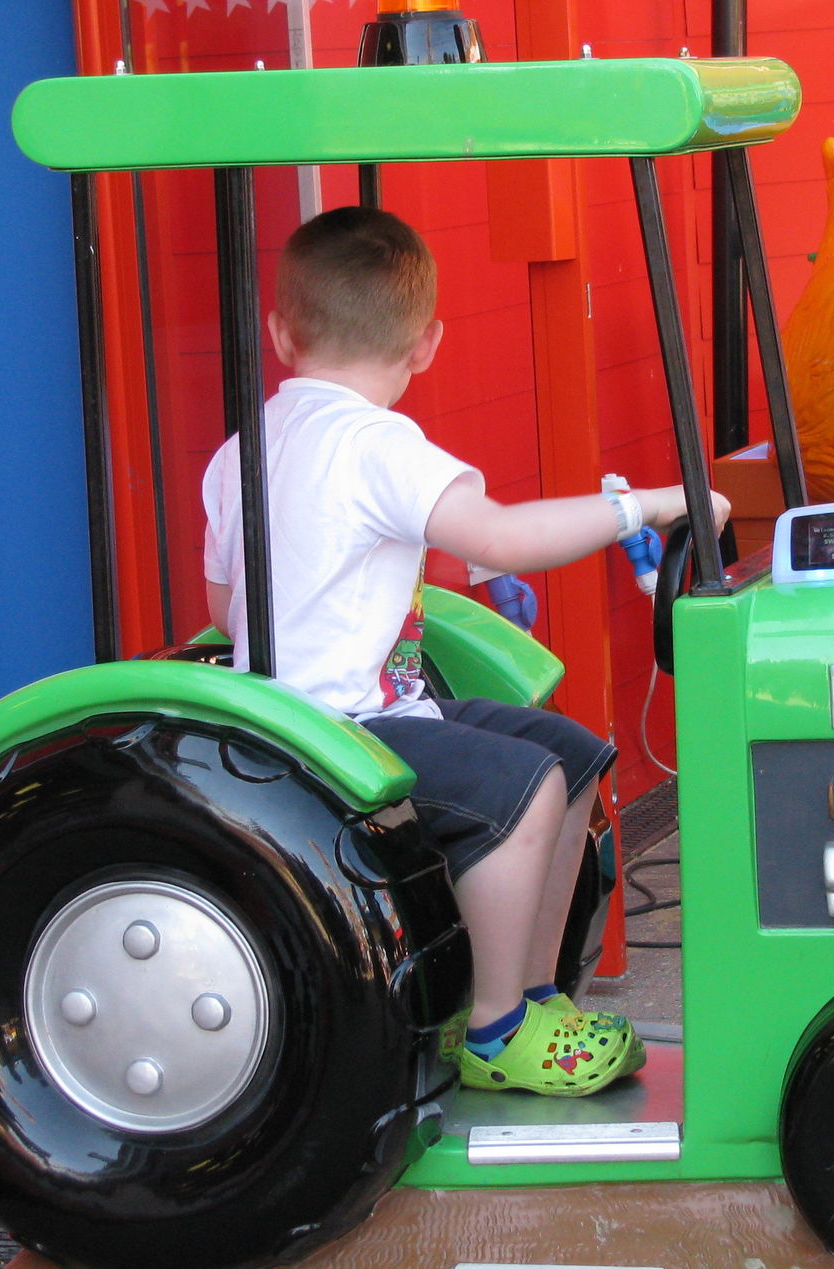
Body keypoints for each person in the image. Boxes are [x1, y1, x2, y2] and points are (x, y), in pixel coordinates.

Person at [202, 205, 727, 1098]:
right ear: (428, 345)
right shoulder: (376, 444)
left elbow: (224, 606)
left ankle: (536, 995)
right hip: (340, 731)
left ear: (282, 333)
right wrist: (647, 505)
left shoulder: (241, 450)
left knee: (570, 753)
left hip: (314, 717)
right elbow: (502, 536)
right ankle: (495, 1027)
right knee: (523, 786)